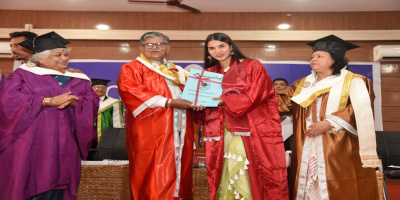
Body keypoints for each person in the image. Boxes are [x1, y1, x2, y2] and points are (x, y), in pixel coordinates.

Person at [277, 35, 380, 199]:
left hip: (338, 146)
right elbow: (280, 103)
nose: (313, 59)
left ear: (334, 59)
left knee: (340, 185)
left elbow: (361, 109)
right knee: (308, 185)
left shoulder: (355, 81)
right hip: (306, 145)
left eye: (319, 56)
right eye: (312, 56)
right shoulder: (302, 84)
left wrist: (330, 122)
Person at [0, 31, 99, 200]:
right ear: (40, 58)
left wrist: (76, 102)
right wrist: (48, 101)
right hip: (32, 141)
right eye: (58, 55)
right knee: (32, 180)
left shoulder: (78, 77)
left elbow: (92, 100)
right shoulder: (22, 75)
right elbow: (8, 99)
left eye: (66, 54)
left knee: (62, 183)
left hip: (66, 141)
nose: (64, 58)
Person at [194, 32, 289, 200]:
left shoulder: (252, 66)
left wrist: (225, 100)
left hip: (249, 128)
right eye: (212, 48)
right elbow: (205, 106)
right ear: (208, 52)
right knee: (224, 170)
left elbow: (259, 93)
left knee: (248, 169)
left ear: (231, 46)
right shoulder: (208, 73)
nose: (218, 51)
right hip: (219, 130)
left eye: (222, 46)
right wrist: (198, 105)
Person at [117, 31, 194, 199]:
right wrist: (169, 103)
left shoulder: (176, 71)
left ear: (168, 47)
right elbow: (131, 91)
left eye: (160, 44)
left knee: (181, 168)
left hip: (180, 131)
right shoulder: (131, 68)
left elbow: (193, 94)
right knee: (152, 170)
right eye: (149, 44)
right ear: (141, 48)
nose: (155, 47)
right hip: (151, 131)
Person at [91, 78, 124, 146]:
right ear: (91, 89)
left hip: (106, 134)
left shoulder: (114, 103)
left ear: (106, 89)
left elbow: (117, 120)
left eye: (103, 88)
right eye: (97, 87)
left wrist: (118, 136)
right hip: (87, 134)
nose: (100, 89)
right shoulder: (84, 101)